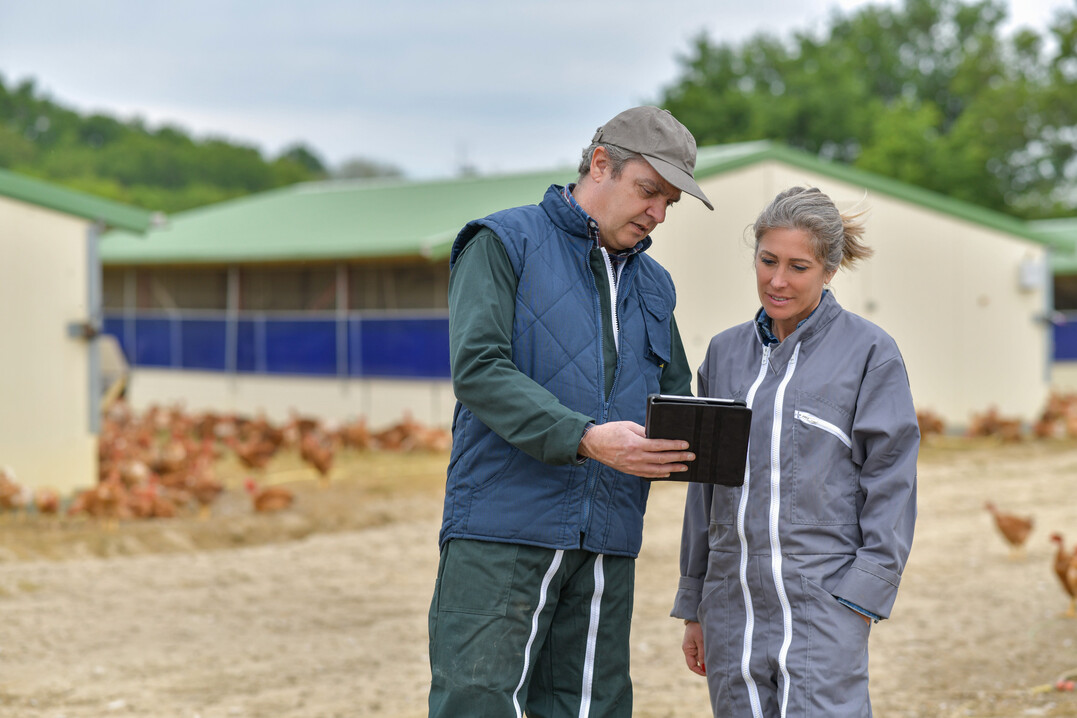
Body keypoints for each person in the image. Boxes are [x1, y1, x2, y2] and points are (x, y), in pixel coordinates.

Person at [428, 106, 714, 718]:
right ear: (601, 164)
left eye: (669, 203)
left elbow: (674, 396)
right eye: (648, 192)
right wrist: (585, 437)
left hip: (609, 538)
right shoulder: (503, 242)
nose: (657, 214)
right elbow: (479, 368)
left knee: (592, 708)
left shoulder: (655, 285)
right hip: (502, 531)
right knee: (479, 704)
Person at [672, 186, 919, 717]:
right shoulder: (724, 353)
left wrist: (862, 594)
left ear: (828, 271)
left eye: (798, 266)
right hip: (730, 601)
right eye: (767, 261)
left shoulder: (869, 354)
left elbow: (892, 478)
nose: (777, 280)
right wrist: (695, 602)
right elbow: (705, 487)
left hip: (823, 602)